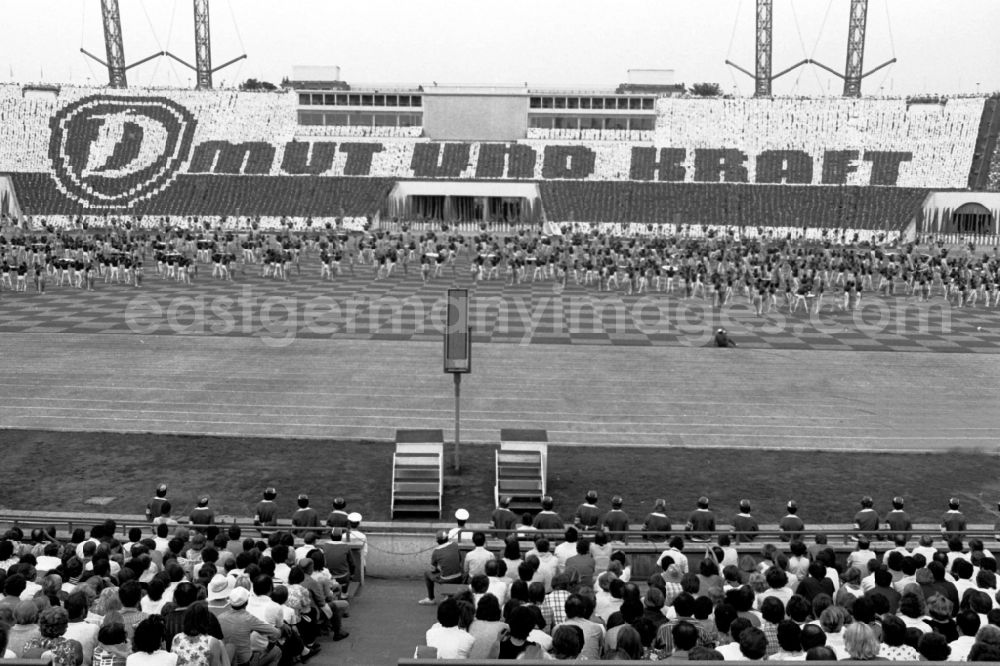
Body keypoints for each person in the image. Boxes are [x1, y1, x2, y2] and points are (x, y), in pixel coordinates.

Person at [216, 588, 281, 666]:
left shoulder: (220, 617)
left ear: (230, 603)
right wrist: (268, 649)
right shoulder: (249, 618)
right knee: (277, 651)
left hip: (225, 660)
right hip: (243, 662)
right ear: (246, 603)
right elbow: (276, 633)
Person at [418, 531, 463, 606]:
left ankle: (431, 598)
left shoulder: (436, 551)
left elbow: (433, 569)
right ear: (447, 538)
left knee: (427, 573)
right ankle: (449, 595)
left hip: (447, 580)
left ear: (437, 541)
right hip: (459, 577)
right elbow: (460, 559)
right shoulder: (455, 544)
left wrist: (439, 570)